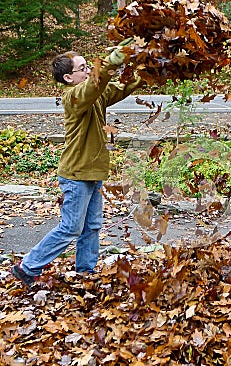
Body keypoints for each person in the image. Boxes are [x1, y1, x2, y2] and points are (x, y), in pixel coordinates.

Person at [11, 40, 142, 288]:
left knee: (92, 226)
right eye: (83, 67)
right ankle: (27, 266)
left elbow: (120, 88)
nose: (88, 70)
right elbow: (92, 87)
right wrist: (110, 61)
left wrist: (145, 66)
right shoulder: (73, 96)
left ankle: (86, 272)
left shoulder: (96, 93)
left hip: (93, 172)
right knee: (71, 227)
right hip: (75, 174)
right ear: (69, 78)